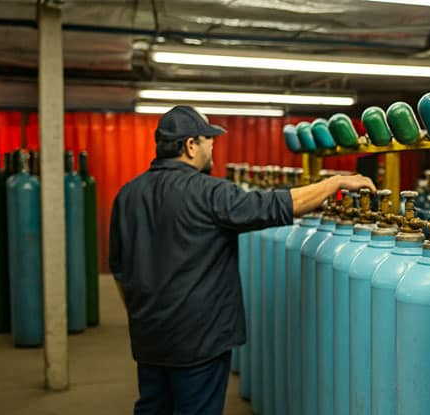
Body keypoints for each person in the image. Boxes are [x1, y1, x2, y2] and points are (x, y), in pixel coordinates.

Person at [109, 105, 375, 414]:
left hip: (149, 338)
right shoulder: (209, 193)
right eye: (208, 139)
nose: (213, 146)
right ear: (190, 145)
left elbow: (118, 269)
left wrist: (143, 315)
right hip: (199, 342)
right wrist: (335, 183)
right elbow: (278, 205)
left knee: (153, 408)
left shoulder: (127, 195)